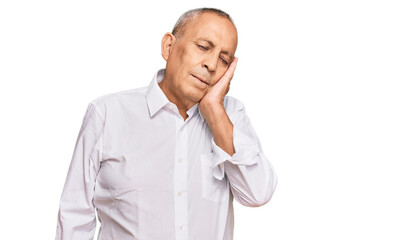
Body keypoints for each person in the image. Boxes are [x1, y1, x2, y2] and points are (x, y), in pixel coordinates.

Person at [55, 7, 277, 240]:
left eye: (224, 59)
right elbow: (75, 216)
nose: (211, 65)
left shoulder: (231, 115)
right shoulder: (107, 114)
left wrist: (215, 112)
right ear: (168, 47)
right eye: (203, 47)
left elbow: (258, 193)